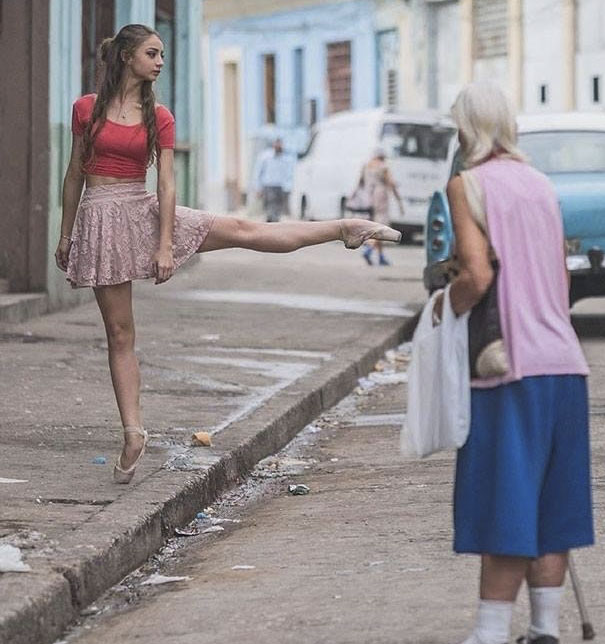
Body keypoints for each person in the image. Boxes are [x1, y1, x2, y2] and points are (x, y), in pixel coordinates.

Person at [55, 25, 400, 485]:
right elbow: (74, 174)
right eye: (152, 54)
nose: (160, 62)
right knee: (120, 334)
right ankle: (133, 433)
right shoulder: (85, 109)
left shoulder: (158, 115)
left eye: (162, 54)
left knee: (241, 229)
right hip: (100, 220)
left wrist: (164, 245)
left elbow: (167, 184)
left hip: (144, 210)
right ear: (125, 56)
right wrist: (66, 235)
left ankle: (344, 228)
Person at [425, 81, 593, 644]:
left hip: (509, 366)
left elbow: (476, 275)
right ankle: (543, 630)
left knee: (506, 500)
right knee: (553, 505)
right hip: (564, 362)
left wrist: (443, 309)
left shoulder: (467, 185)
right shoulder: (541, 184)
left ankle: (490, 638)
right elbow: (561, 279)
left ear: (466, 129)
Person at [358, 148, 403, 266]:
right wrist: (399, 202)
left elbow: (360, 183)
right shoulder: (383, 167)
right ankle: (369, 248)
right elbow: (391, 183)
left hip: (368, 197)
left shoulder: (366, 166)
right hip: (380, 196)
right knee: (381, 226)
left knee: (372, 225)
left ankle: (381, 257)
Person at [252, 137, 296, 222]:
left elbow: (289, 174)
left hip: (280, 187)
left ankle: (274, 223)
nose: (279, 146)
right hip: (268, 186)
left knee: (278, 209)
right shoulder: (265, 156)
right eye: (277, 144)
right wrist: (258, 188)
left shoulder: (286, 158)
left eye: (280, 144)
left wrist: (289, 187)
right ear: (274, 144)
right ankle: (270, 222)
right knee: (270, 208)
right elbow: (258, 173)